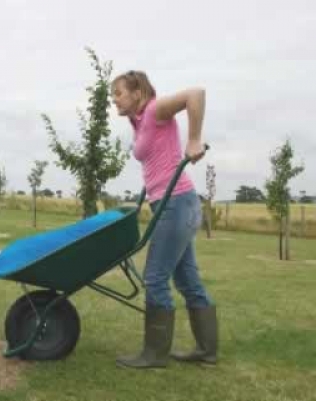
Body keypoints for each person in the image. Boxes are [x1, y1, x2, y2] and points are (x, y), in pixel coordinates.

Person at [111, 70, 218, 368]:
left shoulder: (156, 109)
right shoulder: (139, 121)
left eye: (118, 93)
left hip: (177, 204)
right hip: (172, 204)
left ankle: (154, 354)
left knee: (155, 277)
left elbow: (195, 93)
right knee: (187, 280)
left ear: (136, 92)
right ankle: (207, 351)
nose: (114, 100)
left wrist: (194, 139)